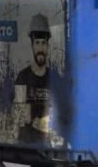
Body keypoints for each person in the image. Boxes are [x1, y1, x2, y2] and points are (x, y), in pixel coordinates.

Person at [14, 13, 66, 145]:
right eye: (37, 43)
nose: (40, 48)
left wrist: (44, 122)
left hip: (49, 145)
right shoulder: (22, 77)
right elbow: (20, 115)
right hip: (26, 145)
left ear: (48, 46)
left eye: (43, 43)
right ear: (32, 45)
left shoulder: (55, 78)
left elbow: (63, 113)